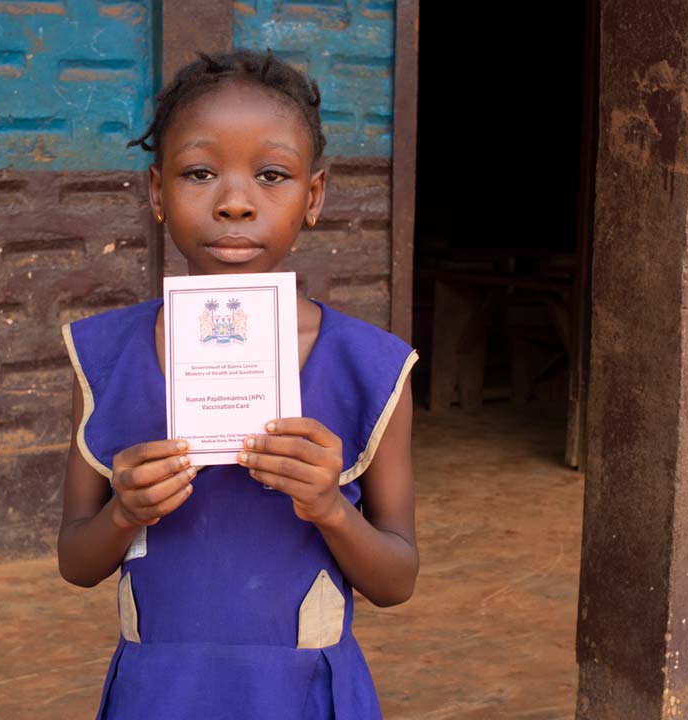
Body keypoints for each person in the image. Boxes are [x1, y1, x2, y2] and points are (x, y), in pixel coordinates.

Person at [58, 49, 419, 720]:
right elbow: (76, 561)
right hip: (159, 694)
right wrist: (124, 513)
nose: (233, 203)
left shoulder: (371, 369)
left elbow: (397, 579)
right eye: (199, 173)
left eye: (272, 175)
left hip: (301, 694)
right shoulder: (106, 357)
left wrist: (331, 508)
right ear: (157, 192)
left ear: (313, 197)